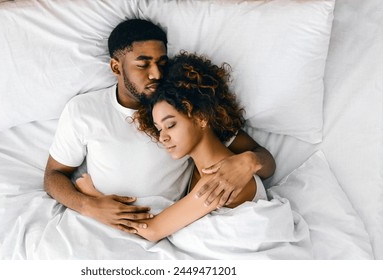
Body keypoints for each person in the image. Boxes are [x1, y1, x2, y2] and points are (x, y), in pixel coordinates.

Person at [44, 19, 276, 235]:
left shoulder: (184, 107)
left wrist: (248, 161)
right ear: (116, 67)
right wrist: (89, 204)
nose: (155, 74)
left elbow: (263, 159)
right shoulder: (84, 110)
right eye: (143, 65)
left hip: (166, 224)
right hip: (107, 222)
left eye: (161, 64)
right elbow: (53, 176)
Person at [75, 52, 267, 242]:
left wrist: (94, 196)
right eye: (158, 129)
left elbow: (151, 230)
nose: (163, 137)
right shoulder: (197, 170)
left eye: (171, 125)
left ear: (201, 117)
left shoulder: (218, 180)